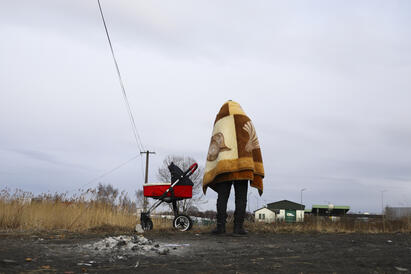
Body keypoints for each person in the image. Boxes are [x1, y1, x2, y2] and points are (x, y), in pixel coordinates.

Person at [203, 100, 264, 235]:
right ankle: (238, 228)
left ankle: (221, 227)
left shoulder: (220, 121)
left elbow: (214, 143)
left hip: (225, 165)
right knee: (241, 197)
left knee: (222, 196)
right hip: (244, 166)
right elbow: (254, 144)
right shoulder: (246, 119)